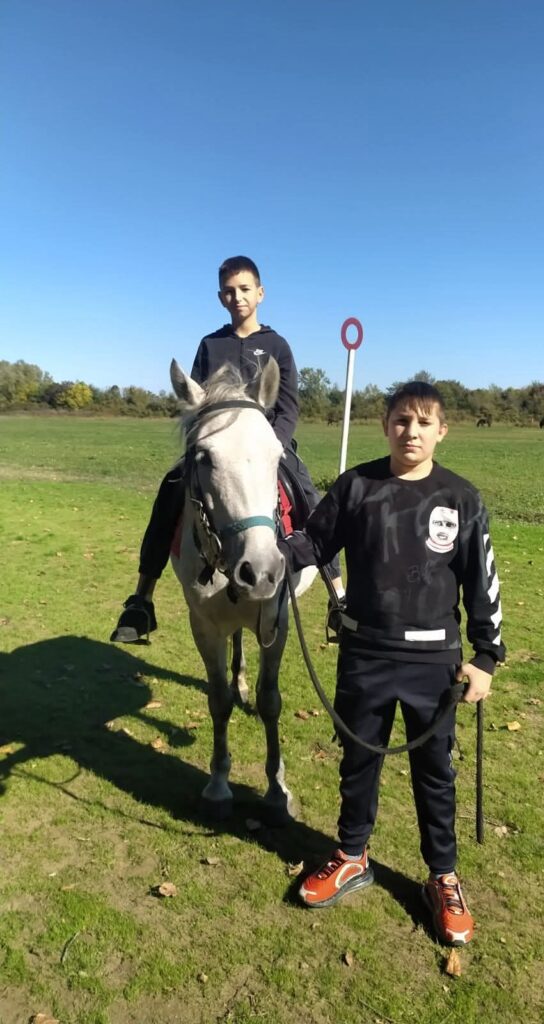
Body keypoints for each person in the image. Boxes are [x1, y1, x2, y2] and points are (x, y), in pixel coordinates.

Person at [277, 381, 505, 946]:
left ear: (441, 431)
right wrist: (269, 553)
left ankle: (443, 876)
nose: (412, 432)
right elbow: (313, 544)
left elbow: (483, 583)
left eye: (424, 422)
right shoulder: (356, 486)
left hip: (434, 662)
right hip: (365, 653)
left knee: (435, 771)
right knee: (358, 762)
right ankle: (352, 855)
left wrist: (485, 657)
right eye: (402, 420)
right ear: (386, 426)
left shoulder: (461, 497)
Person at [111, 255, 344, 643]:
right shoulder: (210, 344)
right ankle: (141, 599)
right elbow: (196, 404)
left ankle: (338, 596)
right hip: (218, 445)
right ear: (221, 297)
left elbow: (288, 406)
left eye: (245, 289)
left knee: (310, 497)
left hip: (268, 445)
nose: (238, 297)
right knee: (170, 491)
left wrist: (271, 445)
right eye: (230, 291)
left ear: (261, 293)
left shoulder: (277, 345)